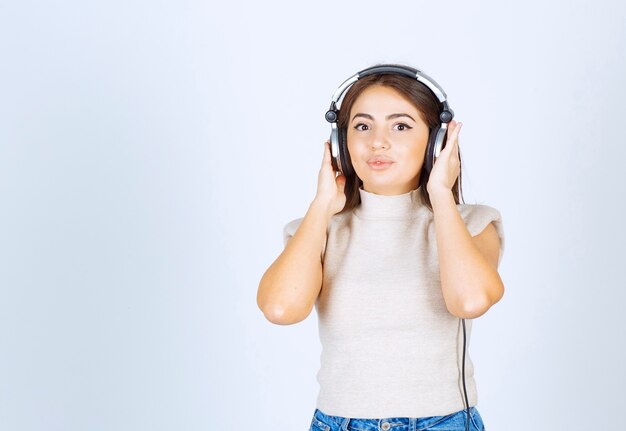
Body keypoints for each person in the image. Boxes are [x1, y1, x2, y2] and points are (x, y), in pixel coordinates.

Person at [257, 64, 504, 431]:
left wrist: (440, 195)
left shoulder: (472, 224)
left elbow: (469, 301)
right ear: (341, 142)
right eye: (362, 125)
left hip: (444, 423)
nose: (377, 141)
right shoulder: (316, 229)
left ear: (436, 142)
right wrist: (322, 205)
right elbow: (280, 309)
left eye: (400, 125)